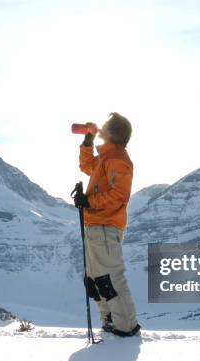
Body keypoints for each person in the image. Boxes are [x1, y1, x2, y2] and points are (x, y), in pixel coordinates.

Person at [72, 112, 141, 337]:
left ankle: (126, 326)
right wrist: (88, 142)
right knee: (95, 278)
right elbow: (86, 166)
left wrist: (89, 201)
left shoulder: (118, 160)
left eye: (105, 126)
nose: (101, 127)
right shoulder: (106, 157)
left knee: (110, 277)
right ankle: (110, 320)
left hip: (105, 225)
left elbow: (120, 194)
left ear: (113, 133)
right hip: (95, 224)